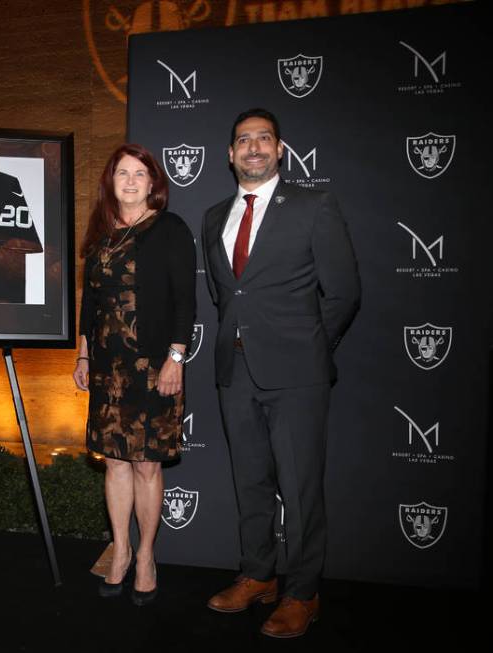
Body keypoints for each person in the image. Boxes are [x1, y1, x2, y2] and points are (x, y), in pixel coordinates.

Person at [201, 108, 360, 637]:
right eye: (243, 140)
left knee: (300, 487)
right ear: (229, 154)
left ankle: (302, 591)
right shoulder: (214, 216)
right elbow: (227, 295)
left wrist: (313, 347)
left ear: (279, 149)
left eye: (262, 139)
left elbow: (343, 292)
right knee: (249, 482)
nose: (252, 147)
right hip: (235, 369)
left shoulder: (314, 206)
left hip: (298, 373)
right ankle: (258, 575)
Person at [73, 143, 195, 607]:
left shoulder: (170, 229)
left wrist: (175, 359)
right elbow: (91, 302)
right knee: (115, 462)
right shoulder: (102, 235)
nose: (129, 181)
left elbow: (186, 300)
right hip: (107, 369)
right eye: (121, 173)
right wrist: (84, 355)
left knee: (146, 464)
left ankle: (146, 555)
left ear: (152, 183)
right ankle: (120, 550)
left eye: (138, 174)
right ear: (111, 182)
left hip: (153, 367)